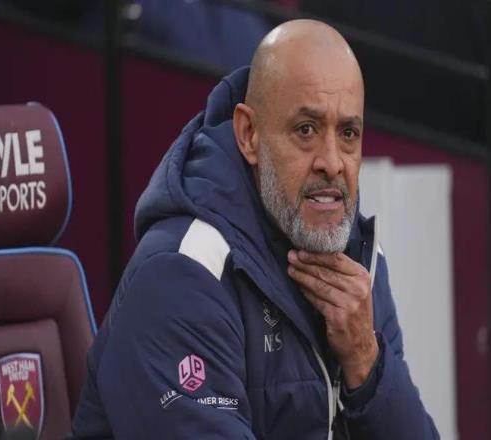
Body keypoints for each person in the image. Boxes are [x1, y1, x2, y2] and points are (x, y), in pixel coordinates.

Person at [73, 19, 439, 439]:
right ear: (249, 135)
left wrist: (365, 361)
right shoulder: (181, 272)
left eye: (348, 133)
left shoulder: (361, 264)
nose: (332, 162)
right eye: (306, 130)